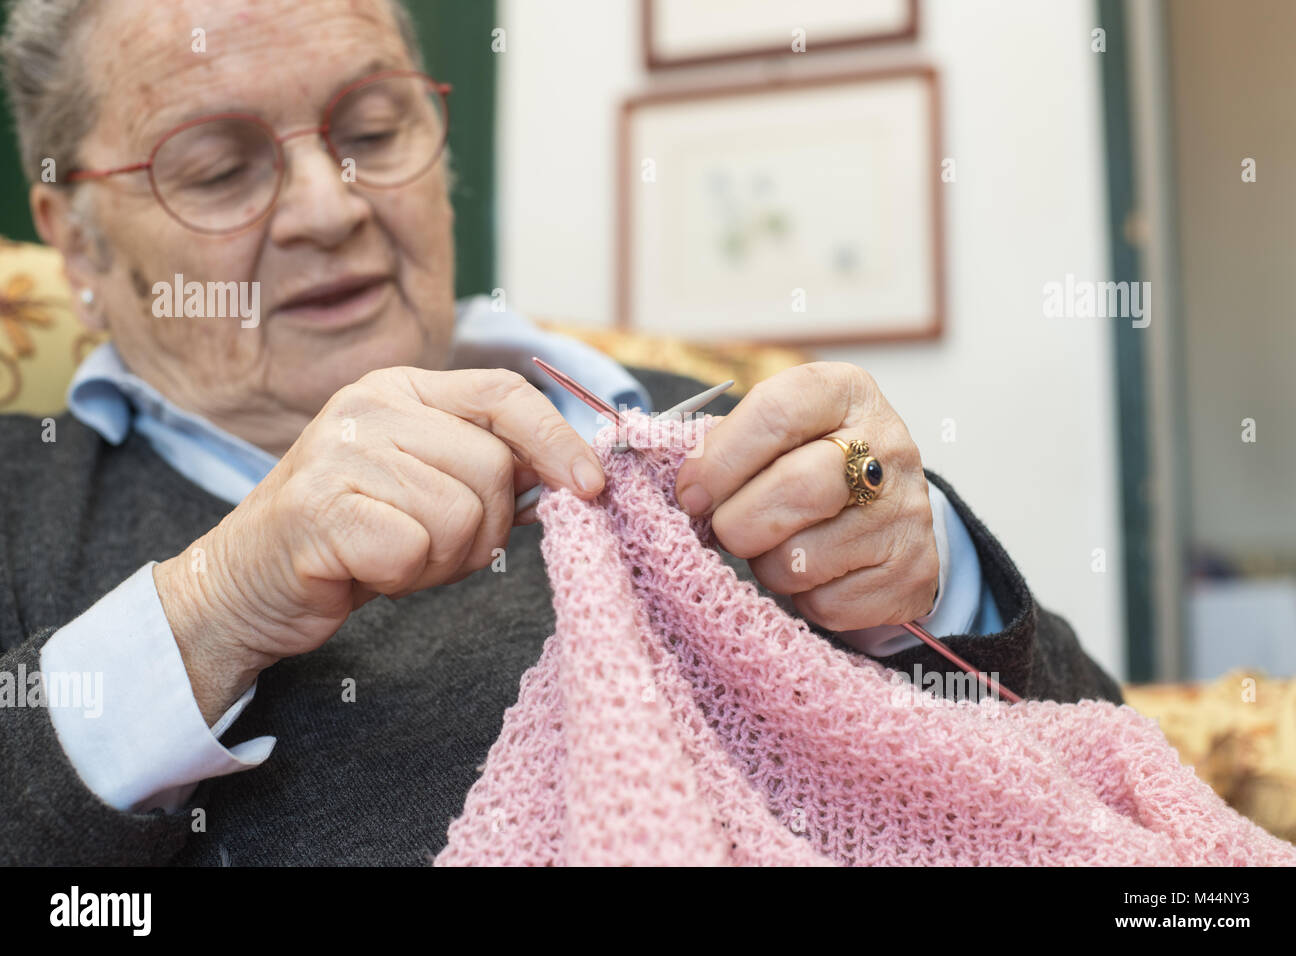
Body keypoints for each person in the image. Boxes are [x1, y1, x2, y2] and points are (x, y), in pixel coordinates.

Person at [0, 0, 1121, 866]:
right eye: (220, 169)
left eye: (374, 128)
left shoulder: (712, 421)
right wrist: (212, 608)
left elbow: (1103, 785)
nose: (330, 205)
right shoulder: (26, 501)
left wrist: (932, 590)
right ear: (80, 247)